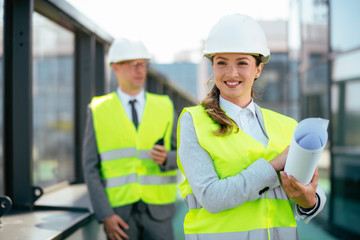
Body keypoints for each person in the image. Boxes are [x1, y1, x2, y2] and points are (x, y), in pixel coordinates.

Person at [177, 13, 326, 240]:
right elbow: (211, 197)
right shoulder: (193, 121)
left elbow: (313, 193)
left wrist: (309, 200)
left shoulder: (287, 126)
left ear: (258, 69)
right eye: (222, 63)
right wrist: (273, 165)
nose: (231, 73)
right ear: (213, 67)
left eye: (242, 63)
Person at [83, 38, 178, 240]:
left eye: (143, 64)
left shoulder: (165, 106)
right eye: (133, 64)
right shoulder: (98, 110)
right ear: (116, 67)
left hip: (159, 214)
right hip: (118, 215)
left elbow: (186, 154)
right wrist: (105, 215)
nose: (139, 70)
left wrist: (167, 158)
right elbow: (90, 167)